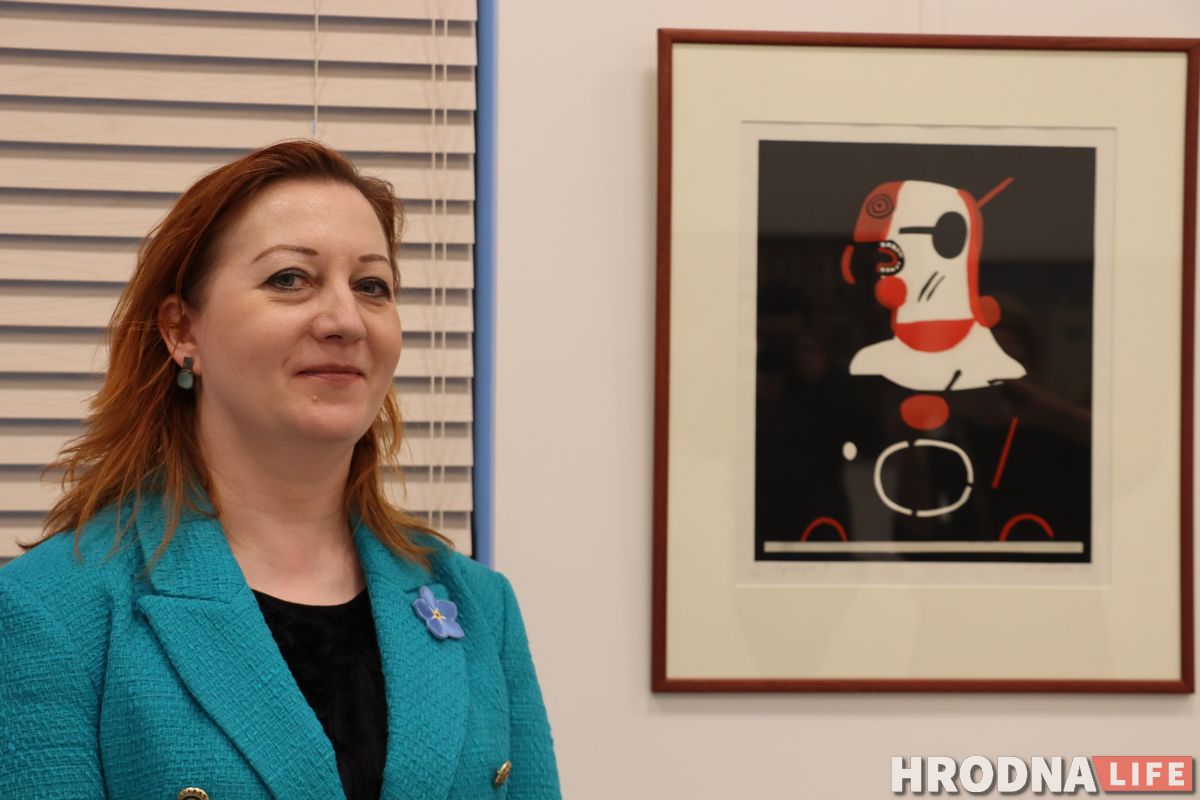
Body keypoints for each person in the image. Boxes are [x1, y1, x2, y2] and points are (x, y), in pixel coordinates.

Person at [0, 140, 561, 800]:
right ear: (182, 331)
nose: (345, 320)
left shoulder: (481, 606)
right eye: (290, 279)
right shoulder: (51, 611)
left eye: (372, 287)